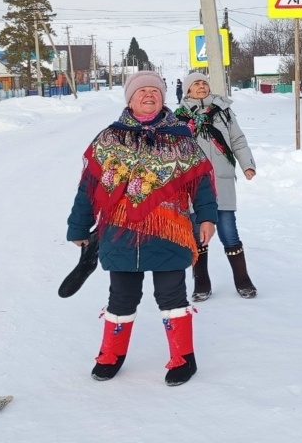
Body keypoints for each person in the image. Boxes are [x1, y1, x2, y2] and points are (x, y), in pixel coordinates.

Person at [66, 70, 218, 386]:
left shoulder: (181, 137)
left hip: (170, 231)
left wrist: (206, 217)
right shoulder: (109, 138)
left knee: (172, 295)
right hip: (119, 232)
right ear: (130, 98)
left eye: (155, 91)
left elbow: (201, 182)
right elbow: (89, 185)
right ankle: (111, 355)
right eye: (142, 91)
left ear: (163, 98)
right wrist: (79, 225)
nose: (149, 95)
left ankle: (183, 359)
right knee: (121, 296)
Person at [176, 71, 258, 301]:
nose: (201, 86)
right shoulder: (179, 117)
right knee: (197, 234)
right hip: (193, 185)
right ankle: (201, 282)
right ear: (188, 90)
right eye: (196, 84)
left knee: (229, 232)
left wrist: (247, 165)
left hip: (221, 179)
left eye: (204, 83)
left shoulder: (223, 111)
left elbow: (238, 140)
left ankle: (243, 280)